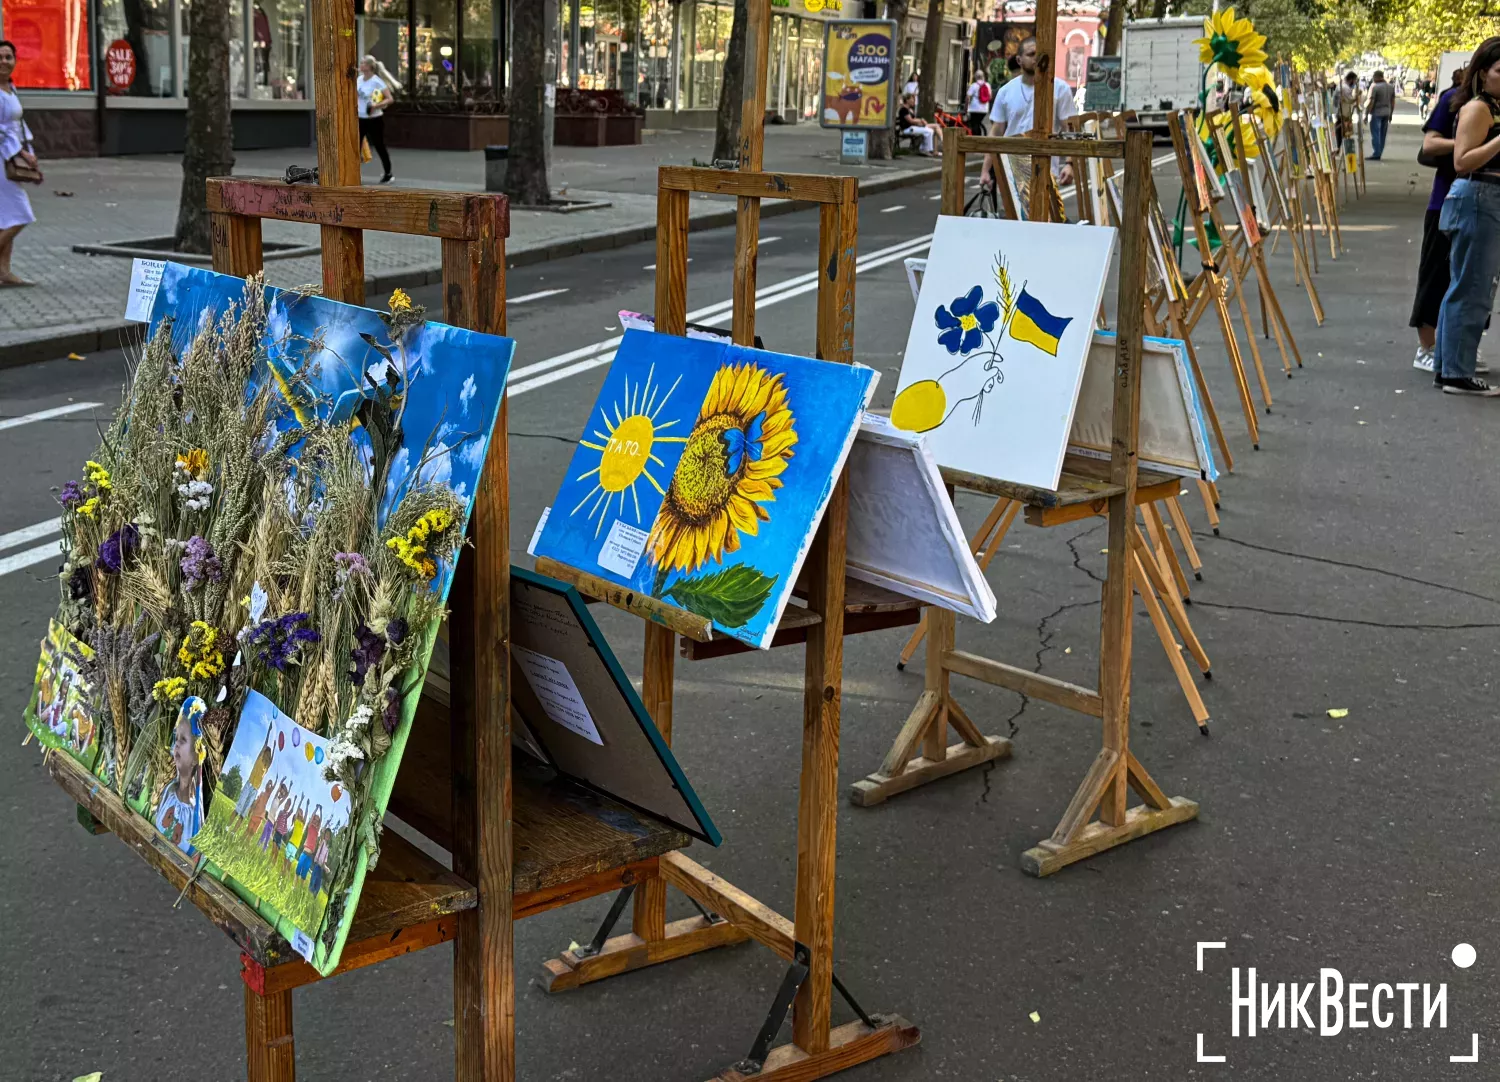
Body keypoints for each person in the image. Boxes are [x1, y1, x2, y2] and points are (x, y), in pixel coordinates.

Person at [1434, 38, 1500, 395]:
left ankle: (1448, 367)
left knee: (1465, 286)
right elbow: (1462, 161)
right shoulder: (1479, 109)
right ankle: (1457, 372)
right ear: (1483, 73)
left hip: (1485, 199)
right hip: (1479, 196)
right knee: (1472, 289)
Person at [1410, 65, 1484, 373]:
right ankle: (1427, 347)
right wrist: (1468, 143)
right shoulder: (1456, 99)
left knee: (1477, 282)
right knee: (1436, 276)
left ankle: (1460, 346)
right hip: (1447, 201)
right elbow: (1429, 144)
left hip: (1487, 205)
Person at [982, 36, 1077, 186]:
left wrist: (1070, 164)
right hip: (1011, 171)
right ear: (1019, 60)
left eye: (1039, 54)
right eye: (1031, 54)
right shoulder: (1005, 91)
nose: (1036, 58)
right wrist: (985, 170)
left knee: (1045, 210)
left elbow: (1069, 129)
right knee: (1011, 210)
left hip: (1046, 171)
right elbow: (996, 132)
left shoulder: (1060, 88)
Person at [0, 40, 37, 288]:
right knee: (21, 214)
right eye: (0, 57)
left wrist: (29, 151)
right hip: (2, 159)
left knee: (6, 216)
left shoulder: (11, 89)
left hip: (10, 157)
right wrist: (21, 152)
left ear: (15, 60)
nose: (4, 61)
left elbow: (18, 126)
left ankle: (4, 271)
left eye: (8, 57)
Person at [154, 699, 206, 857]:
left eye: (183, 740)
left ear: (197, 756)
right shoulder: (168, 792)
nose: (176, 745)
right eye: (176, 738)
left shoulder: (194, 817)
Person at [357, 55, 397, 184]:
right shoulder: (358, 80)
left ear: (369, 67)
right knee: (354, 146)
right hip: (360, 117)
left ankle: (388, 173)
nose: (361, 65)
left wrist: (376, 105)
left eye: (363, 63)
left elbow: (389, 99)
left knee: (379, 145)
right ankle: (352, 173)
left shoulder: (376, 81)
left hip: (374, 119)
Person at [1366, 70, 1395, 159]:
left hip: (1377, 112)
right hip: (1387, 113)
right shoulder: (1391, 87)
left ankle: (1377, 153)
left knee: (1375, 133)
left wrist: (1366, 113)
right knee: (1383, 134)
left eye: (1374, 77)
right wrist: (1391, 114)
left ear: (1377, 77)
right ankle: (1380, 151)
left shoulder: (1375, 87)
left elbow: (1371, 101)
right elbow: (1393, 102)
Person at [1336, 71, 1360, 146]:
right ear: (1351, 79)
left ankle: (1340, 147)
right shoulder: (1345, 87)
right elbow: (1349, 100)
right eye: (1355, 80)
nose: (1355, 83)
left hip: (1342, 111)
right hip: (1343, 112)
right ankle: (1340, 147)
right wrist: (1357, 96)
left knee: (1341, 130)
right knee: (1342, 130)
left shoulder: (1343, 86)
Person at [965, 69, 991, 135]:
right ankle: (978, 136)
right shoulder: (987, 85)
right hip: (984, 109)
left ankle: (976, 137)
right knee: (977, 123)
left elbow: (968, 97)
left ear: (976, 77)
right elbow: (990, 97)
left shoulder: (974, 85)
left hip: (974, 109)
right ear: (983, 76)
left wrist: (966, 107)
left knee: (974, 124)